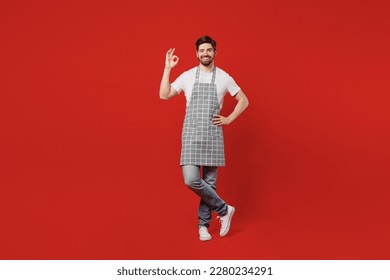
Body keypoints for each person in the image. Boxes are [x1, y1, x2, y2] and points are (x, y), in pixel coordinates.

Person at [159, 35, 249, 241]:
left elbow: (243, 100)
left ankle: (203, 226)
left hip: (212, 134)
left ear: (215, 53)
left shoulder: (224, 77)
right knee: (191, 179)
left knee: (209, 182)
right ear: (196, 54)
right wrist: (167, 69)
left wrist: (229, 118)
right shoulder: (188, 76)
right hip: (191, 133)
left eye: (209, 50)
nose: (205, 53)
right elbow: (164, 95)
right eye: (202, 51)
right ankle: (224, 209)